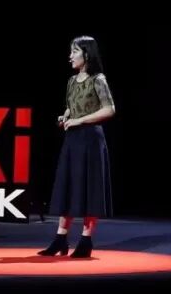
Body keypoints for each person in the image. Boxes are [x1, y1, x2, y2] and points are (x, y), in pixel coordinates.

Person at [38, 36, 116, 258]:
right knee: (68, 185)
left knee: (89, 188)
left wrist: (80, 120)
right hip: (72, 140)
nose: (70, 56)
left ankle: (85, 241)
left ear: (87, 54)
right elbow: (72, 107)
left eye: (74, 51)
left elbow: (109, 109)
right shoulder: (72, 81)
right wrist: (65, 116)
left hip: (91, 139)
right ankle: (60, 239)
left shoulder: (98, 79)